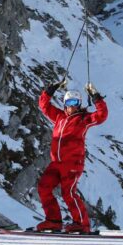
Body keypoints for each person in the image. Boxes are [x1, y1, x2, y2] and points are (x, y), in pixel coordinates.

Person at [34, 81, 108, 234]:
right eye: (69, 102)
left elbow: (101, 115)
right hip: (56, 163)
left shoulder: (83, 119)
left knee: (68, 193)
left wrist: (95, 97)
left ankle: (82, 224)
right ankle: (53, 221)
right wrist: (50, 90)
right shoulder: (59, 117)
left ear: (80, 104)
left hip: (73, 163)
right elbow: (44, 106)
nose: (72, 106)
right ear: (64, 103)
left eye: (75, 102)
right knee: (44, 187)